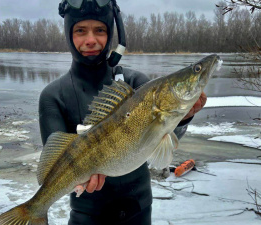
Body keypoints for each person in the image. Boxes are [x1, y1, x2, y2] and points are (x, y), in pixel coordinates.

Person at [38, 0, 207, 224]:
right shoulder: (53, 96)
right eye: (80, 31)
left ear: (112, 34)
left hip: (139, 210)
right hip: (86, 217)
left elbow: (159, 141)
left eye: (100, 30)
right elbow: (55, 165)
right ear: (69, 35)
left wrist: (184, 118)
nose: (90, 40)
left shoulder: (137, 84)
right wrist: (79, 181)